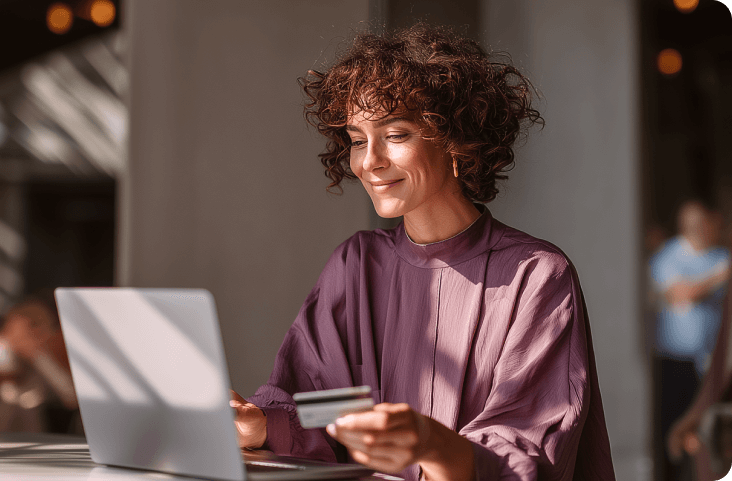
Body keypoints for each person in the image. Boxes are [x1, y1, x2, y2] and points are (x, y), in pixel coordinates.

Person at [230, 23, 615, 481]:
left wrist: (430, 442)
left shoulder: (536, 276)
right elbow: (323, 408)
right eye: (357, 140)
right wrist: (260, 424)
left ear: (454, 137)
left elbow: (528, 448)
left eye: (394, 135)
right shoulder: (355, 266)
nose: (369, 161)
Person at [649, 200, 730, 481]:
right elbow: (682, 293)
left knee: (708, 432)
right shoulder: (667, 256)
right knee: (675, 431)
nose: (698, 228)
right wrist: (719, 277)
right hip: (675, 361)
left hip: (711, 363)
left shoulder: (721, 256)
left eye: (702, 222)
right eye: (691, 223)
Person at [0, 293, 78, 432]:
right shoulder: (4, 349)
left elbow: (71, 397)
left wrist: (37, 355)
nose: (39, 333)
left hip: (33, 436)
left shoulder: (39, 356)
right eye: (33, 325)